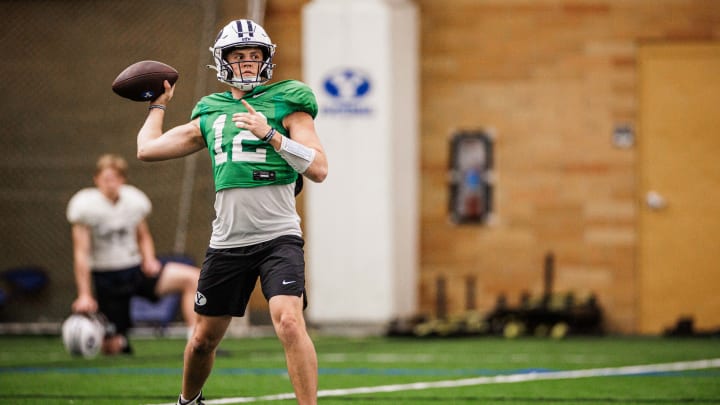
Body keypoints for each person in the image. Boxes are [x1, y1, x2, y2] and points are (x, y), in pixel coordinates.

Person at [135, 19, 328, 405]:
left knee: (289, 322)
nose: (247, 63)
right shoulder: (210, 111)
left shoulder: (289, 100)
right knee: (203, 340)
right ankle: (188, 401)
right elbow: (147, 149)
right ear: (223, 61)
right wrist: (158, 105)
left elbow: (319, 168)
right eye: (238, 56)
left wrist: (271, 134)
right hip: (228, 241)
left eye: (254, 55)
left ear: (267, 59)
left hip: (280, 236)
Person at [67, 153, 200, 355]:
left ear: (122, 179)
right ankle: (117, 338)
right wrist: (84, 294)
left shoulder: (133, 200)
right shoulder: (85, 206)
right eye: (105, 179)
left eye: (115, 178)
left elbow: (143, 236)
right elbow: (81, 253)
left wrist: (149, 258)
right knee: (113, 348)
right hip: (107, 277)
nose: (110, 184)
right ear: (96, 180)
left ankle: (196, 342)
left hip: (134, 269)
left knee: (193, 278)